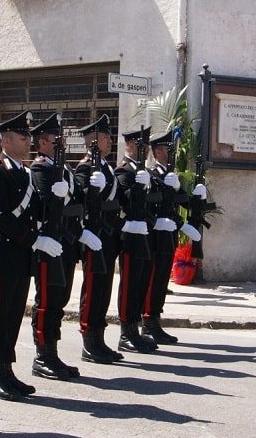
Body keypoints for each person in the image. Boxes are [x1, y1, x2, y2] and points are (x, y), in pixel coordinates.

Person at [0, 111, 39, 401]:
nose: (29, 140)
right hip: (2, 252)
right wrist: (33, 239)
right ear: (5, 140)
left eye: (28, 135)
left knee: (14, 314)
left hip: (20, 254)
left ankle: (7, 371)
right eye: (23, 136)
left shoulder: (26, 172)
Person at [29, 112, 81, 380]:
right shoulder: (40, 168)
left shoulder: (64, 169)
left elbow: (75, 202)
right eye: (54, 140)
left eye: (60, 140)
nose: (59, 144)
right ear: (41, 143)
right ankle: (43, 354)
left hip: (66, 243)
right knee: (47, 300)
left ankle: (53, 352)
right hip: (49, 243)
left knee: (59, 300)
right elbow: (45, 203)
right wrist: (55, 194)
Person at [74, 115, 124, 363]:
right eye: (105, 137)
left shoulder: (106, 166)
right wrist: (96, 187)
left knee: (104, 289)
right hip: (94, 234)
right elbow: (83, 198)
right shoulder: (85, 167)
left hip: (108, 235)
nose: (110, 141)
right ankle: (88, 341)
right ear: (94, 141)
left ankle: (100, 339)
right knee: (93, 288)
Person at [114, 128, 158, 353]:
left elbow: (147, 206)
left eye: (147, 146)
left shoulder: (143, 171)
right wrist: (138, 186)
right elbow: (125, 203)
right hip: (130, 236)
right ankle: (125, 332)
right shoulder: (124, 170)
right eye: (141, 146)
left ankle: (135, 329)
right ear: (128, 146)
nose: (145, 149)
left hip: (144, 234)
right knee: (130, 284)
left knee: (141, 283)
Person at [140, 129, 185, 345]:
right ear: (157, 151)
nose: (171, 152)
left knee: (162, 279)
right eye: (167, 148)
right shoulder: (150, 174)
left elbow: (181, 201)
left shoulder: (171, 174)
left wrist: (177, 187)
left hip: (169, 234)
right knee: (153, 278)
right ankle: (148, 322)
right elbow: (149, 203)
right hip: (155, 236)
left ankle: (155, 319)